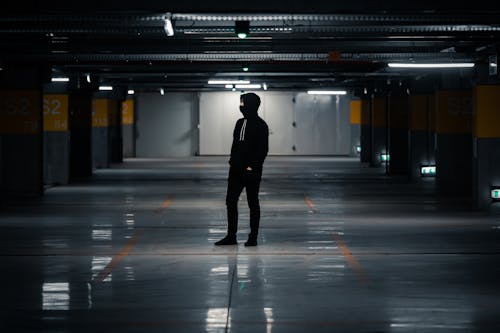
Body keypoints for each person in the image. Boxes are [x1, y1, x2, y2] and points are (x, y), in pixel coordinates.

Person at [215, 93, 269, 247]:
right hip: (235, 171)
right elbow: (235, 144)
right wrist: (232, 161)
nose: (241, 106)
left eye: (243, 103)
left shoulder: (261, 125)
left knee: (253, 203)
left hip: (252, 172)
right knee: (230, 202)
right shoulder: (239, 123)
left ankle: (253, 237)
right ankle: (231, 236)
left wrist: (251, 167)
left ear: (252, 105)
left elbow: (262, 150)